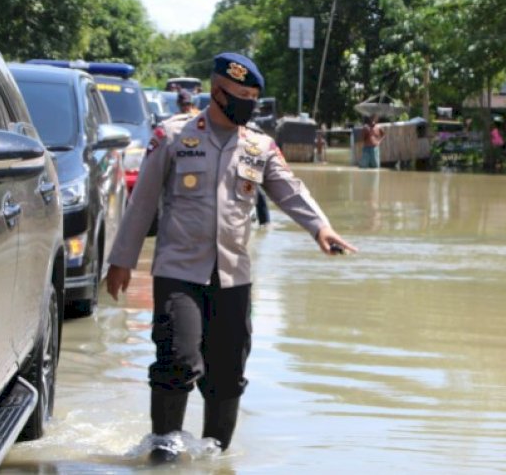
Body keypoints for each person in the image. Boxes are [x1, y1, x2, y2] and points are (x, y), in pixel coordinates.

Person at [105, 52, 357, 463]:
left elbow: (290, 189)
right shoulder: (173, 136)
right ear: (217, 92)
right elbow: (143, 202)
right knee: (177, 361)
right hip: (178, 273)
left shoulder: (258, 146)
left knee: (227, 377)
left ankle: (216, 461)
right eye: (241, 96)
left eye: (253, 98)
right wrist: (122, 261)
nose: (248, 106)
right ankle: (163, 459)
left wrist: (320, 227)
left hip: (233, 279)